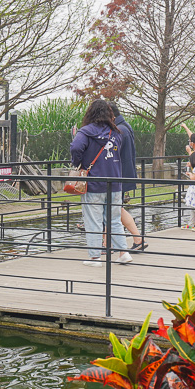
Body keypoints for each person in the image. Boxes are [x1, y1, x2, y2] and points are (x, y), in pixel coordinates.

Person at [69, 99, 132, 266]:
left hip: (94, 183)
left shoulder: (85, 132)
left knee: (93, 220)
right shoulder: (117, 133)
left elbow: (76, 148)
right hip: (115, 183)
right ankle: (123, 252)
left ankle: (95, 257)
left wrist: (78, 161)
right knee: (114, 220)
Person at [108, 101, 146, 251]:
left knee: (114, 209)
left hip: (119, 176)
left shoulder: (119, 130)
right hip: (124, 174)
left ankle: (136, 239)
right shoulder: (125, 126)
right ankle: (109, 243)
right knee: (114, 209)